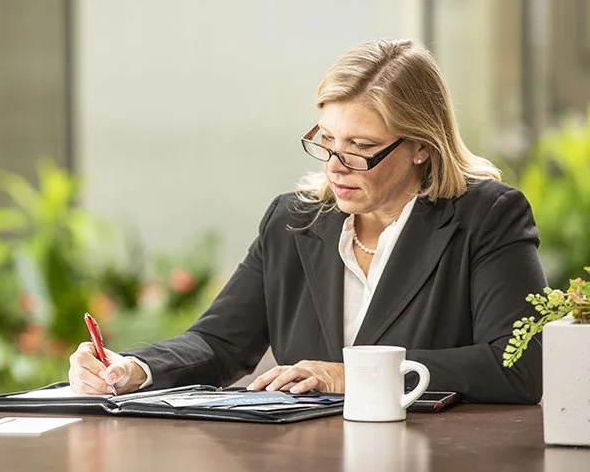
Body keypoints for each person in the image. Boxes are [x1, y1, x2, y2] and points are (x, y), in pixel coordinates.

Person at [68, 38, 546, 404]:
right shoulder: (292, 222)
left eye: (361, 147)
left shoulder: (488, 217)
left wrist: (348, 375)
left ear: (422, 146)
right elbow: (218, 342)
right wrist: (132, 367)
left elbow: (517, 368)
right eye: (328, 141)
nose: (336, 166)